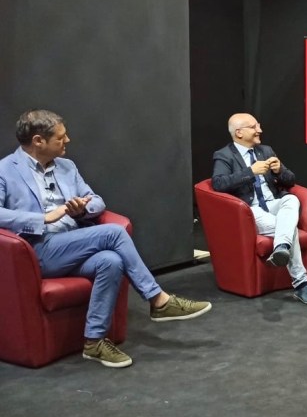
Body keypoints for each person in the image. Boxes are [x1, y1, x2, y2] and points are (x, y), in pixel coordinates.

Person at [0, 109, 212, 368]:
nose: (67, 141)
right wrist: (43, 218)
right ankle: (158, 300)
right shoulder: (5, 170)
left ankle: (95, 342)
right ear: (38, 141)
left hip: (73, 241)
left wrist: (82, 209)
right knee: (113, 232)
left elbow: (96, 200)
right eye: (60, 137)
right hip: (38, 250)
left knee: (110, 262)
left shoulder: (67, 167)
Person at [211, 113, 307, 306]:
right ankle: (302, 285)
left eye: (258, 125)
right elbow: (218, 184)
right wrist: (250, 172)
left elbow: (290, 180)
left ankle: (281, 247)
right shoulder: (224, 155)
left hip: (273, 203)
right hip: (250, 210)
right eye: (253, 127)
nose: (260, 130)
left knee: (291, 199)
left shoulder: (266, 151)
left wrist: (279, 170)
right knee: (289, 229)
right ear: (239, 133)